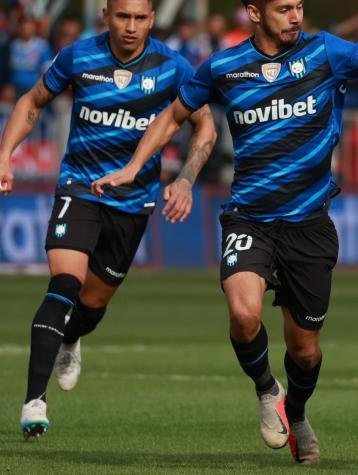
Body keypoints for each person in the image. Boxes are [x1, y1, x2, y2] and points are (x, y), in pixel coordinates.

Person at [91, 0, 358, 465]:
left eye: (299, 6)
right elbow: (174, 115)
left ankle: (296, 413)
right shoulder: (223, 67)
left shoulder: (326, 52)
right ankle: (266, 389)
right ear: (255, 12)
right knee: (243, 315)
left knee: (305, 352)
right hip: (249, 219)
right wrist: (135, 166)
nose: (296, 16)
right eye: (284, 8)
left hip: (309, 226)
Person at [0, 0, 216, 439]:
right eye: (122, 17)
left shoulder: (173, 67)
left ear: (152, 19)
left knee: (94, 304)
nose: (131, 27)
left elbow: (205, 126)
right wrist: (5, 154)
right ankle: (33, 403)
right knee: (64, 285)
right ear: (106, 15)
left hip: (133, 203)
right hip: (79, 187)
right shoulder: (79, 56)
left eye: (139, 18)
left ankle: (71, 338)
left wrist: (187, 180)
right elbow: (33, 100)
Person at [9, 15, 53, 97]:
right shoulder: (12, 45)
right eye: (23, 24)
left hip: (33, 90)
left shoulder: (42, 46)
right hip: (14, 90)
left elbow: (47, 70)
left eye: (29, 25)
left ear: (34, 27)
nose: (25, 28)